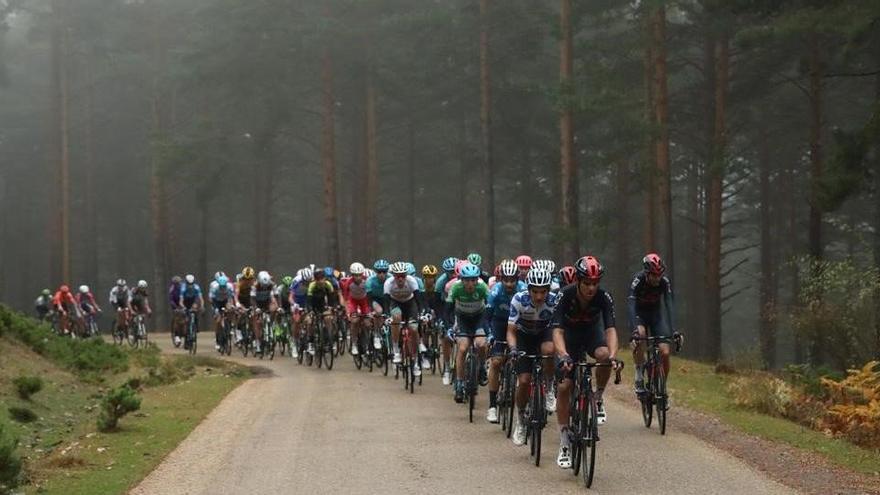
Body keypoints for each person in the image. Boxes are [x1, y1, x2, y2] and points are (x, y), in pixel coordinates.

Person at [551, 256, 619, 469]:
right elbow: (557, 331)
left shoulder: (603, 296)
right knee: (564, 386)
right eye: (587, 283)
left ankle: (597, 397)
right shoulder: (564, 295)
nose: (591, 288)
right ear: (578, 281)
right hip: (567, 337)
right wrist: (562, 355)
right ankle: (563, 441)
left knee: (604, 356)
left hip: (591, 333)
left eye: (595, 283)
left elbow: (610, 330)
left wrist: (614, 355)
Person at [506, 268, 559, 446]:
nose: (539, 296)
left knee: (549, 350)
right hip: (524, 337)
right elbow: (511, 331)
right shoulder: (519, 300)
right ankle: (520, 419)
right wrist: (513, 349)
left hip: (544, 334)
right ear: (528, 289)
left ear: (548, 290)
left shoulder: (554, 301)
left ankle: (550, 387)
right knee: (524, 381)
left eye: (543, 291)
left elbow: (560, 329)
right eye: (535, 291)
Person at [485, 259, 525, 422]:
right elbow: (486, 317)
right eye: (505, 280)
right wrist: (489, 334)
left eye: (512, 280)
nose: (509, 284)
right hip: (499, 324)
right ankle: (492, 406)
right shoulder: (495, 291)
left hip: (518, 324)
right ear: (501, 279)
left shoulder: (523, 289)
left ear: (517, 279)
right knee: (496, 362)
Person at [629, 253, 676, 394]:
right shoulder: (637, 280)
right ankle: (639, 371)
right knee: (641, 335)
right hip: (639, 315)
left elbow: (669, 305)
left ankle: (662, 387)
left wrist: (673, 330)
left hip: (656, 316)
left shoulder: (664, 282)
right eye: (654, 275)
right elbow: (630, 305)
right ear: (647, 273)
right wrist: (634, 331)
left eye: (659, 275)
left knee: (665, 352)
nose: (657, 278)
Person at [446, 262, 490, 403]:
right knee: (463, 347)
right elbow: (448, 310)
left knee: (481, 344)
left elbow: (490, 308)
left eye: (473, 280)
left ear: (477, 280)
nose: (470, 284)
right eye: (467, 280)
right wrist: (448, 326)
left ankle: (482, 366)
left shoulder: (483, 287)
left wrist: (489, 327)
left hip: (479, 318)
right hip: (463, 318)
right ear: (461, 280)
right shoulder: (456, 288)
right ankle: (459, 382)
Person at [383, 261, 423, 369]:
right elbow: (386, 302)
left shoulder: (411, 281)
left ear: (406, 275)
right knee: (396, 317)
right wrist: (387, 316)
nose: (400, 279)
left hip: (410, 304)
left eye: (403, 276)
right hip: (395, 303)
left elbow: (418, 299)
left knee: (413, 328)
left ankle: (416, 357)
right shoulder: (388, 283)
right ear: (393, 276)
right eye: (397, 276)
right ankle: (396, 350)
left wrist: (422, 313)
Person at [340, 262, 371, 356]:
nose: (358, 277)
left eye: (360, 275)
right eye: (355, 275)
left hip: (364, 301)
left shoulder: (367, 280)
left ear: (363, 274)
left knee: (367, 322)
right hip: (353, 301)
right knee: (354, 321)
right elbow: (345, 299)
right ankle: (354, 344)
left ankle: (367, 341)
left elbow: (371, 296)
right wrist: (347, 312)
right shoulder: (348, 283)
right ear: (352, 275)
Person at [306, 268, 336, 355]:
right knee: (310, 321)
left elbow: (332, 298)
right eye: (318, 279)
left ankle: (328, 339)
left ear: (325, 278)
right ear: (315, 280)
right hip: (312, 304)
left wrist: (332, 307)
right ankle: (310, 343)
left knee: (328, 318)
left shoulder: (328, 285)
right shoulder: (312, 286)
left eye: (322, 278)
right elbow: (309, 300)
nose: (321, 281)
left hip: (322, 305)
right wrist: (310, 310)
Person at [251, 270, 277, 354]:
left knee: (274, 309)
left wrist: (277, 306)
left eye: (266, 286)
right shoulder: (255, 286)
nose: (264, 287)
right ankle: (258, 342)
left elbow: (276, 296)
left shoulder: (272, 284)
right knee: (257, 322)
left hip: (267, 302)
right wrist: (256, 308)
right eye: (263, 286)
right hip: (257, 303)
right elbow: (252, 299)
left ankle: (271, 323)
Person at [366, 259, 390, 348]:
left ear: (387, 272)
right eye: (379, 272)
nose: (382, 274)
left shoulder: (391, 278)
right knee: (379, 311)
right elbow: (368, 297)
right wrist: (371, 310)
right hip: (375, 299)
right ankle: (376, 335)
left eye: (384, 272)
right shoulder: (370, 281)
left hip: (387, 299)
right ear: (376, 272)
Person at [178, 274, 204, 349]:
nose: (190, 285)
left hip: (193, 301)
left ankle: (195, 326)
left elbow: (200, 298)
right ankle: (186, 339)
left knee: (195, 312)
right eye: (188, 284)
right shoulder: (183, 288)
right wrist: (183, 307)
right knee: (186, 321)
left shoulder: (196, 287)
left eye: (191, 284)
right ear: (186, 283)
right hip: (185, 302)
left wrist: (202, 306)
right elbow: (181, 301)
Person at [210, 274, 235, 350]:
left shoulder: (229, 287)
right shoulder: (214, 288)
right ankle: (218, 340)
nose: (223, 288)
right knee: (218, 320)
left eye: (224, 286)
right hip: (217, 303)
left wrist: (231, 306)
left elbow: (231, 298)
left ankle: (230, 325)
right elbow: (211, 300)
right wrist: (215, 309)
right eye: (221, 286)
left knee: (231, 310)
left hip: (225, 301)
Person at [168, 275, 184, 345]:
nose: (178, 284)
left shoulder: (183, 287)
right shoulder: (172, 289)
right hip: (175, 304)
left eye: (179, 283)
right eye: (176, 283)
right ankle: (177, 335)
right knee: (177, 319)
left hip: (183, 303)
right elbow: (171, 299)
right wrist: (175, 307)